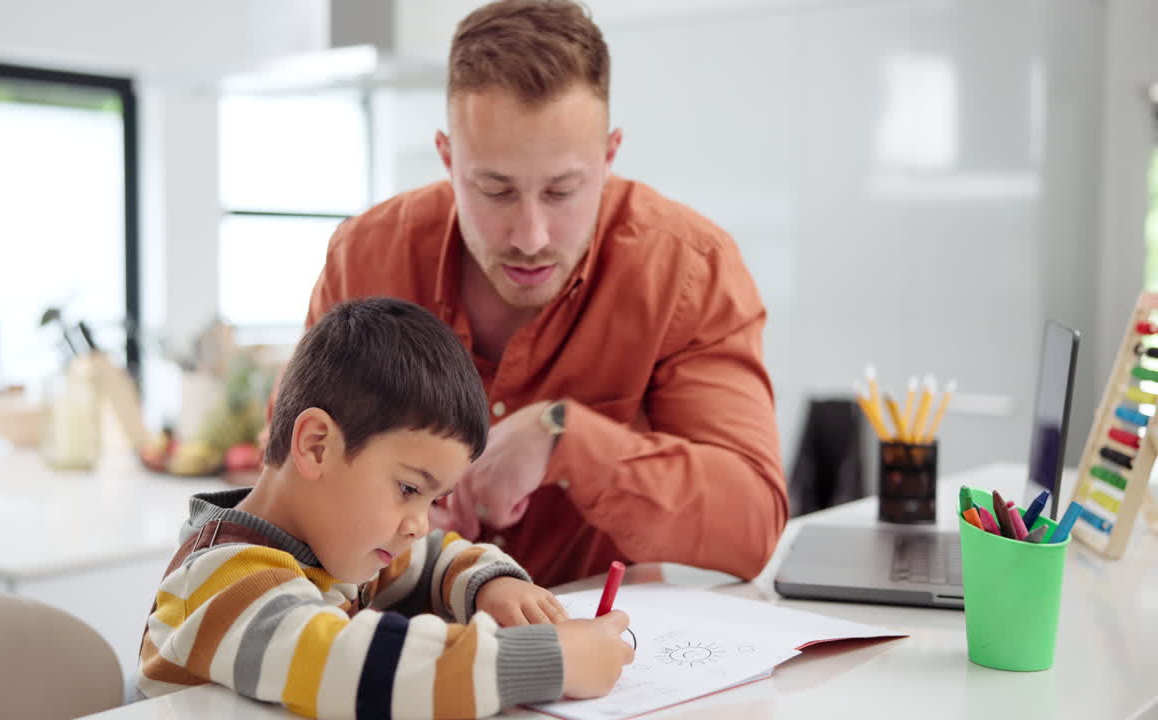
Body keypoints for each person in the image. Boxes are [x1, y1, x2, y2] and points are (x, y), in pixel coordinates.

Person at [301, 0, 788, 588]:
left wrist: (565, 438)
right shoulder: (365, 256)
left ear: (608, 158)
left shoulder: (690, 270)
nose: (530, 237)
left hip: (598, 651)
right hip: (397, 645)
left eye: (562, 191)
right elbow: (294, 477)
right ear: (448, 159)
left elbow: (754, 525)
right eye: (495, 189)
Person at [136, 297, 634, 718]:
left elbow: (438, 556)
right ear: (315, 447)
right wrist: (551, 661)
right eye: (408, 489)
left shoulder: (338, 550)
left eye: (436, 500)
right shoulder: (222, 580)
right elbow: (353, 666)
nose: (418, 525)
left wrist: (494, 585)